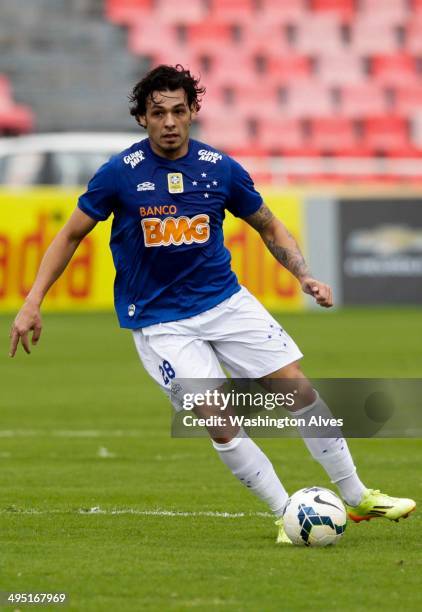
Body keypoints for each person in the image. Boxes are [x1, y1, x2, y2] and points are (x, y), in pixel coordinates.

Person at [9, 65, 415, 542]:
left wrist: (303, 274)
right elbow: (70, 235)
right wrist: (33, 300)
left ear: (194, 111)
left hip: (226, 303)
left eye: (179, 111)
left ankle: (356, 494)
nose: (169, 122)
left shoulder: (219, 168)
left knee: (297, 389)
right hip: (162, 323)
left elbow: (268, 225)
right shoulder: (119, 174)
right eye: (157, 113)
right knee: (217, 419)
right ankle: (288, 513)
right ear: (142, 118)